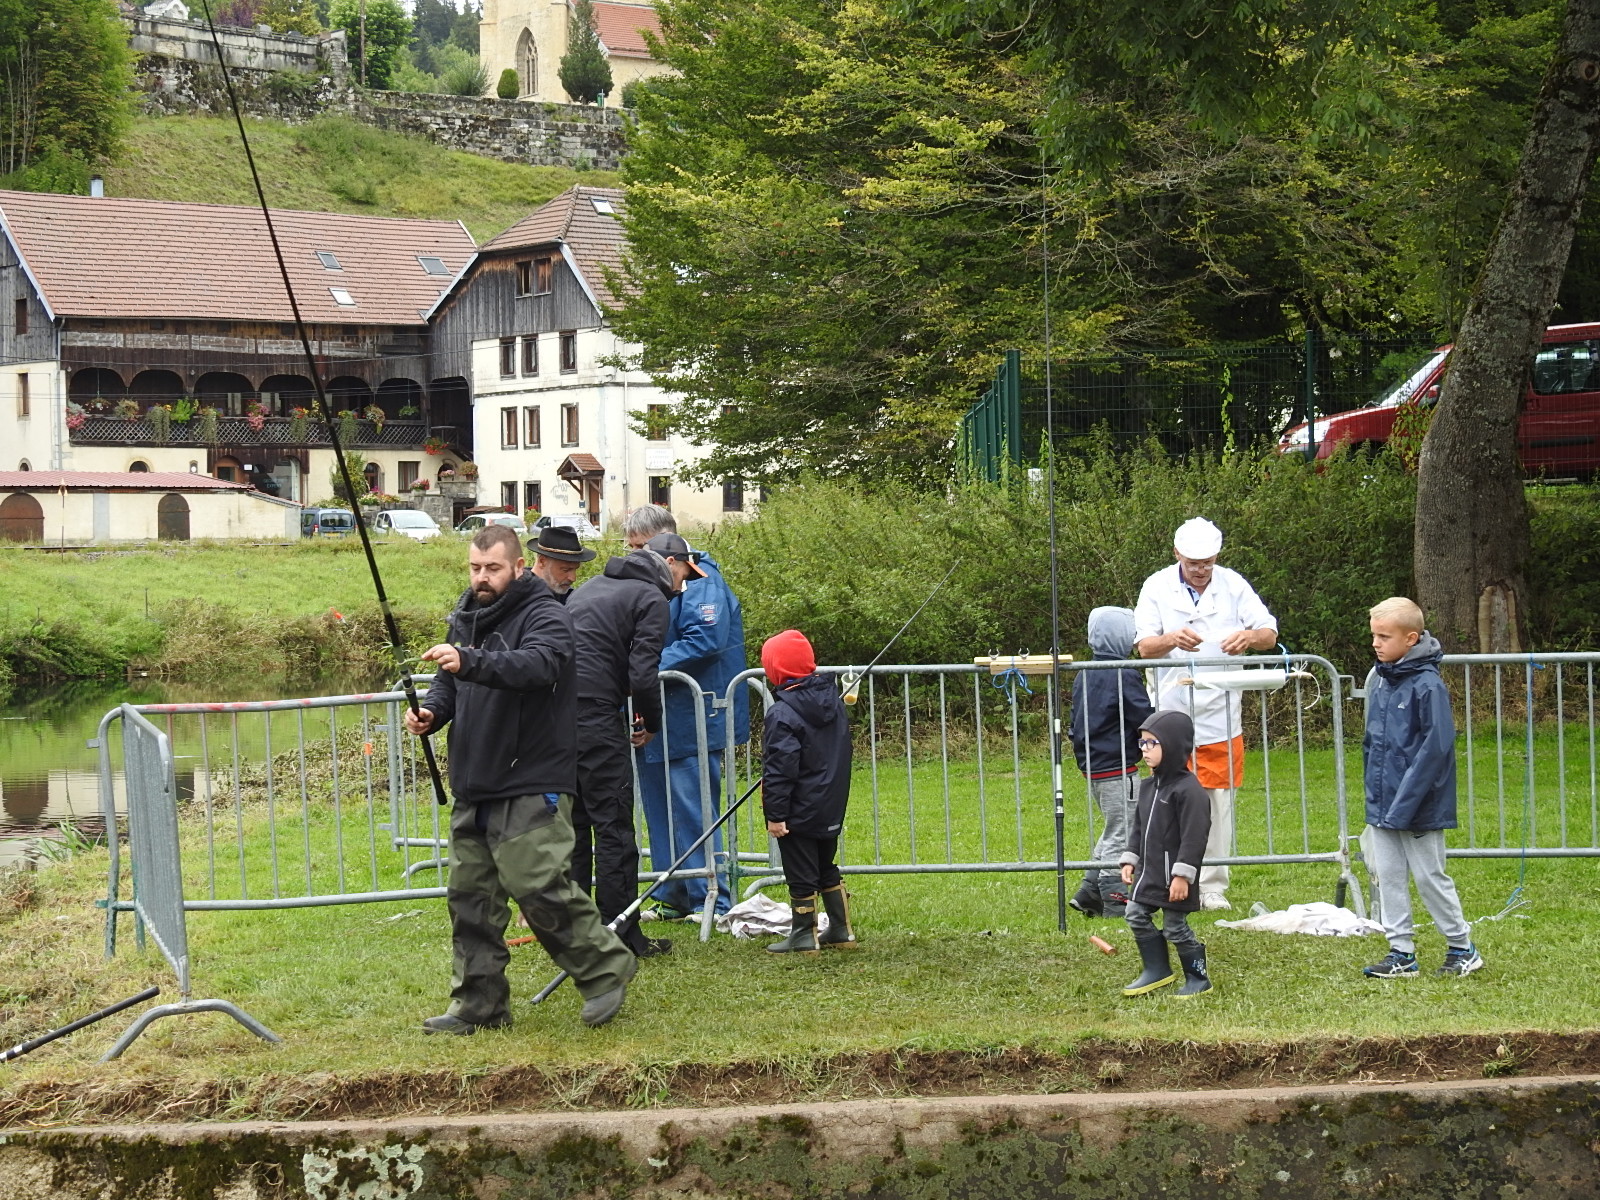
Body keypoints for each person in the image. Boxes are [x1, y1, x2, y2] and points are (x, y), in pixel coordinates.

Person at [402, 524, 636, 1033]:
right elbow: (447, 684)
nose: (481, 578)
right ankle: (479, 1005)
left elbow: (538, 666)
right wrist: (432, 713)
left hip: (531, 776)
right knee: (471, 901)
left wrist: (469, 661)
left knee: (539, 885)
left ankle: (605, 969)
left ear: (519, 567)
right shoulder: (467, 616)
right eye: (475, 568)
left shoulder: (546, 614)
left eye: (492, 568)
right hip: (475, 781)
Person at [1133, 516, 1278, 911]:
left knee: (1216, 803)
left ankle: (1212, 884)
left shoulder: (1233, 584)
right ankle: (1163, 878)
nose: (1201, 571)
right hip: (1171, 712)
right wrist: (1171, 639)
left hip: (1221, 713)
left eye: (1208, 563)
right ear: (1177, 554)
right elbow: (1144, 646)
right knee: (1166, 797)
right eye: (1194, 563)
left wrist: (1249, 637)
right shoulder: (1156, 586)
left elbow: (1269, 634)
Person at [630, 523, 751, 919]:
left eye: (640, 547)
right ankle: (673, 894)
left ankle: (710, 896)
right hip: (659, 713)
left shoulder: (701, 582)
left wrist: (642, 669)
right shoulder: (657, 580)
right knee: (660, 809)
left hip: (693, 713)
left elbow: (705, 639)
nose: (635, 557)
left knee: (693, 808)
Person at [1360, 597, 1483, 979]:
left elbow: (1435, 749)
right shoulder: (1382, 681)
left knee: (1430, 876)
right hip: (1383, 803)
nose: (1376, 643)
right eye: (1374, 635)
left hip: (1420, 806)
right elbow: (1374, 744)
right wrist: (1377, 797)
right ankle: (1401, 951)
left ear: (1411, 638)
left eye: (1384, 636)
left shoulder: (1428, 686)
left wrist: (1405, 803)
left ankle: (1462, 947)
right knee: (1388, 875)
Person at [566, 543, 675, 958]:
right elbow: (644, 674)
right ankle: (621, 933)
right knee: (613, 828)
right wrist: (651, 723)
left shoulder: (589, 588)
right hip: (596, 716)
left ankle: (577, 935)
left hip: (556, 717)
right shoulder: (651, 598)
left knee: (576, 828)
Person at [758, 629, 855, 954]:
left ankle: (803, 935)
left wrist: (776, 815)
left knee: (800, 872)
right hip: (830, 805)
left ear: (776, 669)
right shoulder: (835, 702)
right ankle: (841, 930)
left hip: (798, 811)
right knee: (825, 865)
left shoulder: (781, 713)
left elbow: (780, 769)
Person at [1067, 606, 1154, 919]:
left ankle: (1089, 890)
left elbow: (1076, 719)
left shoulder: (1084, 672)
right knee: (1124, 832)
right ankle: (1115, 896)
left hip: (1093, 765)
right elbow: (1141, 715)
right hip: (1118, 767)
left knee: (1114, 827)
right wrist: (1160, 725)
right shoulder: (1124, 673)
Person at [1118, 709, 1212, 998]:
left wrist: (1182, 876)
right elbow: (1138, 827)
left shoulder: (1189, 791)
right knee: (1135, 914)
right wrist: (1130, 858)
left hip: (1175, 878)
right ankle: (1157, 969)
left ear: (1172, 744)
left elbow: (1195, 838)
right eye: (1142, 742)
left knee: (1175, 928)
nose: (1144, 749)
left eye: (1152, 743)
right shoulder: (1149, 787)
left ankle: (1198, 978)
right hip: (1149, 874)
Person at [529, 524, 593, 599]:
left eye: (575, 569)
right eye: (565, 570)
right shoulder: (522, 598)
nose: (573, 578)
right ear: (542, 561)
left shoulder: (570, 598)